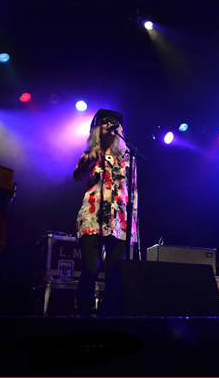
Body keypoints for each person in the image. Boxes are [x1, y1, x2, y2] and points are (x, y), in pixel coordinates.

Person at [73, 108, 137, 316]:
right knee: (91, 268)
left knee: (115, 271)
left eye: (113, 122)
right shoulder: (91, 154)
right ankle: (84, 313)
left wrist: (133, 225)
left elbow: (133, 191)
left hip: (119, 219)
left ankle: (109, 317)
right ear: (96, 128)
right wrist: (88, 160)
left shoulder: (128, 157)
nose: (110, 124)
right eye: (104, 121)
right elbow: (77, 176)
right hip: (92, 216)